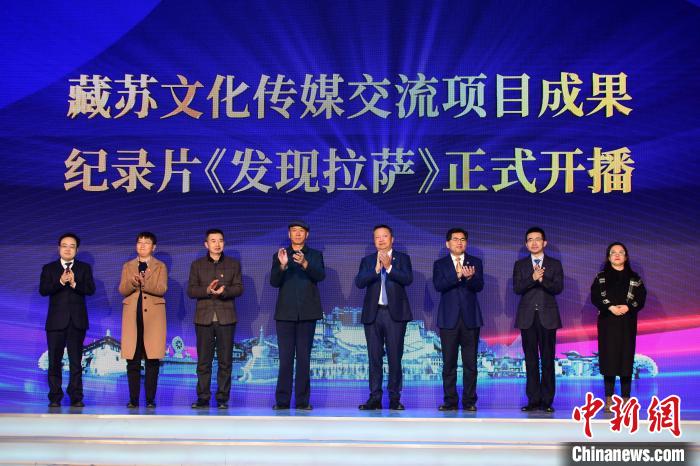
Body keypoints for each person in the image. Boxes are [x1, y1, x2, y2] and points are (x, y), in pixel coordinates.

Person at [355, 225, 413, 410]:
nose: (381, 239)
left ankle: (394, 398)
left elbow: (408, 279)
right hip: (373, 314)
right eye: (377, 237)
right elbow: (359, 282)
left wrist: (389, 267)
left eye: (384, 236)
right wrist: (375, 270)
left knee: (395, 358)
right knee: (374, 358)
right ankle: (375, 398)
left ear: (392, 239)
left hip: (394, 314)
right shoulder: (367, 260)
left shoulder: (402, 259)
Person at [270, 221, 325, 410]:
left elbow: (320, 276)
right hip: (285, 315)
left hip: (307, 314)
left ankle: (302, 401)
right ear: (289, 234)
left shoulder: (315, 255)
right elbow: (274, 282)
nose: (298, 234)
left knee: (303, 359)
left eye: (301, 231)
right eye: (294, 231)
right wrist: (282, 266)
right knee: (285, 360)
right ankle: (282, 401)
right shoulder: (280, 254)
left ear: (306, 235)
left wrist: (305, 263)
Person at [188, 228, 243, 410]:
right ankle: (203, 398)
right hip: (203, 318)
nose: (217, 244)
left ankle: (222, 398)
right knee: (204, 361)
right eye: (213, 241)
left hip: (226, 318)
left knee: (225, 361)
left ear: (224, 243)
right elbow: (191, 290)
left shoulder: (233, 264)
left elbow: (239, 288)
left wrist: (224, 291)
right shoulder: (197, 265)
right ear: (206, 244)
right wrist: (207, 290)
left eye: (220, 240)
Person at [40, 233, 96, 408]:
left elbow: (90, 290)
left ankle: (76, 397)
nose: (68, 249)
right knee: (54, 361)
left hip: (77, 322)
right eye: (64, 245)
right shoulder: (49, 268)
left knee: (75, 362)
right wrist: (60, 281)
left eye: (72, 246)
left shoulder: (84, 268)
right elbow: (43, 290)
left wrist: (74, 284)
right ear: (59, 248)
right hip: (55, 322)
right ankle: (55, 397)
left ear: (76, 250)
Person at [432, 228, 484, 411]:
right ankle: (450, 401)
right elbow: (439, 285)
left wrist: (470, 278)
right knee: (449, 364)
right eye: (455, 239)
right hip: (448, 319)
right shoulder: (440, 264)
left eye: (462, 239)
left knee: (470, 364)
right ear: (448, 243)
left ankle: (470, 401)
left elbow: (479, 286)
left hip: (471, 319)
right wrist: (458, 275)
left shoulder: (475, 262)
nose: (459, 242)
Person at [591, 242, 646, 412]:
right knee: (609, 360)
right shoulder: (601, 277)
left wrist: (628, 307)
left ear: (626, 257)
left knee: (625, 360)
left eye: (621, 252)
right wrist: (610, 307)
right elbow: (595, 297)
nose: (617, 255)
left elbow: (641, 298)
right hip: (607, 323)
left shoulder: (635, 278)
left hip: (627, 323)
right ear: (608, 257)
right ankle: (608, 400)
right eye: (613, 252)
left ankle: (626, 400)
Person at [513, 227, 563, 413]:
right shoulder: (520, 265)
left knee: (548, 360)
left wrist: (543, 281)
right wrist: (533, 278)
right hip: (527, 318)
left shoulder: (555, 264)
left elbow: (558, 288)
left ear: (544, 243)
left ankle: (547, 401)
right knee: (531, 360)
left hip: (548, 317)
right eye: (530, 240)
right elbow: (517, 288)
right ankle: (533, 400)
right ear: (526, 244)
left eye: (537, 239)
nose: (534, 243)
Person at [118, 232, 167, 409]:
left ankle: (150, 399)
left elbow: (161, 289)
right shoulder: (128, 266)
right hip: (133, 318)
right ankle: (133, 399)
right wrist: (133, 282)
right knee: (133, 360)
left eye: (147, 243)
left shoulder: (160, 266)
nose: (142, 245)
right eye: (140, 242)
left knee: (152, 360)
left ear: (154, 247)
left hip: (153, 319)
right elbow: (122, 290)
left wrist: (144, 282)